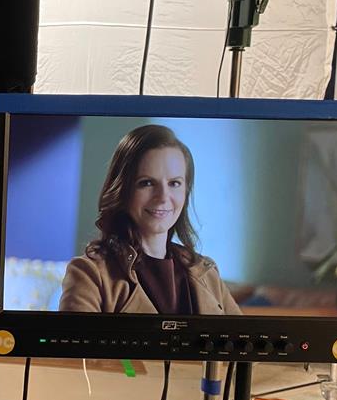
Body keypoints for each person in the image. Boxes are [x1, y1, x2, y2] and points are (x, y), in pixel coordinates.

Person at [59, 124, 240, 315]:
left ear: (186, 191)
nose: (163, 197)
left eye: (174, 183)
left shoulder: (207, 272)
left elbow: (240, 341)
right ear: (122, 190)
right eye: (146, 183)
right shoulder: (89, 274)